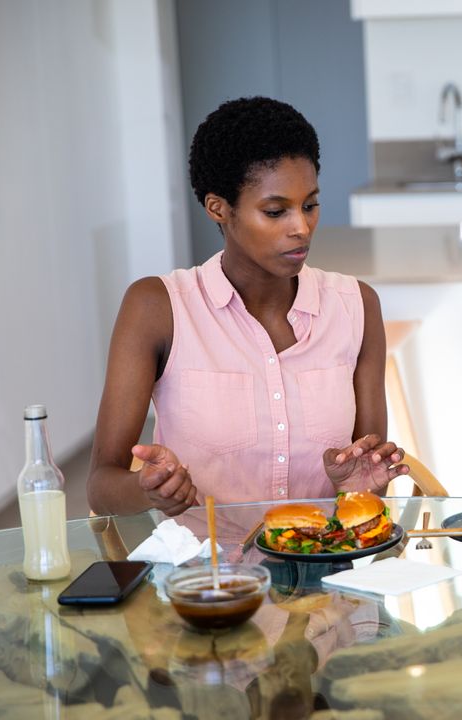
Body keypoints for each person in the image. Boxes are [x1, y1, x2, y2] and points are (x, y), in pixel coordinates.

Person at [88, 96, 408, 517]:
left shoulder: (356, 307)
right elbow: (101, 484)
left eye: (310, 205)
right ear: (218, 208)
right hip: (205, 575)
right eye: (276, 211)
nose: (301, 228)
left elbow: (365, 486)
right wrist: (149, 490)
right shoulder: (158, 307)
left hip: (324, 567)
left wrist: (355, 486)